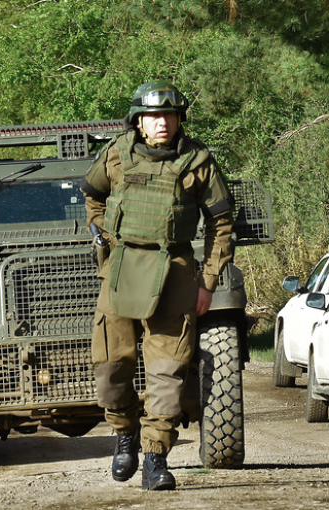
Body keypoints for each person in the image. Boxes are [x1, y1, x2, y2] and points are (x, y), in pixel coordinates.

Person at [80, 80, 235, 490]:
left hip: (175, 271)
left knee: (167, 373)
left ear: (179, 119)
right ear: (139, 121)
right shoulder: (116, 153)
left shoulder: (199, 160)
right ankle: (125, 433)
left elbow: (222, 224)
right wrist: (102, 231)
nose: (162, 122)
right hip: (122, 267)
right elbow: (91, 196)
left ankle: (155, 458)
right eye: (153, 116)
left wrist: (207, 281)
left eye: (169, 115)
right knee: (111, 370)